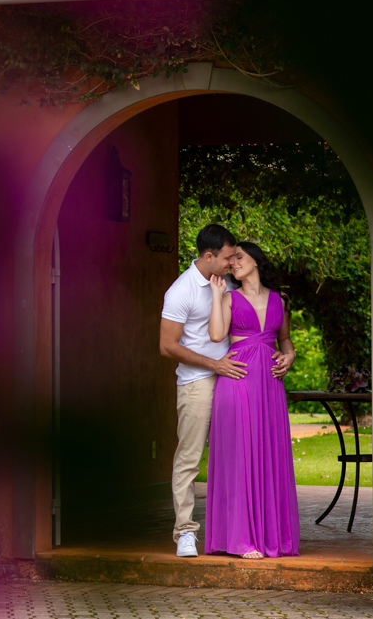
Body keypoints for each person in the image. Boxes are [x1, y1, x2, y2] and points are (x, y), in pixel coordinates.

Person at [205, 241, 299, 559]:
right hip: (238, 380)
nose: (233, 263)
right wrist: (216, 296)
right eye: (231, 260)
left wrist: (290, 357)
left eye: (239, 257)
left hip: (270, 385)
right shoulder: (229, 297)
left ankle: (271, 535)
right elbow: (216, 335)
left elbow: (285, 340)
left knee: (269, 455)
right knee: (241, 456)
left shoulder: (280, 299)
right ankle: (242, 539)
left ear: (256, 260)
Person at [159, 224, 243, 558]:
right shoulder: (180, 291)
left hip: (231, 378)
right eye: (227, 257)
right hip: (197, 383)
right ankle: (185, 531)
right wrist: (213, 365)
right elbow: (167, 346)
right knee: (189, 458)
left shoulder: (229, 281)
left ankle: (236, 529)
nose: (232, 262)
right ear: (209, 256)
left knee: (234, 455)